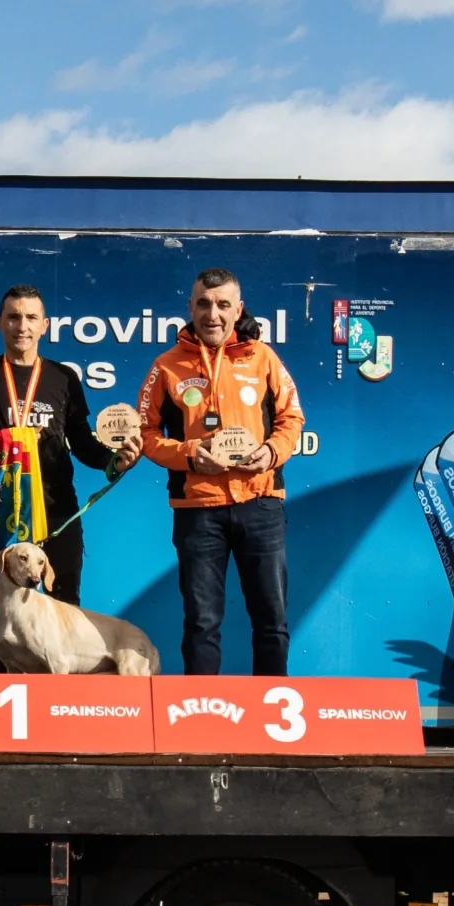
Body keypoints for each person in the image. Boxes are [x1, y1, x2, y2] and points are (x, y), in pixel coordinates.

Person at [0, 286, 141, 663]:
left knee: (66, 618)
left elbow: (83, 443)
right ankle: (6, 715)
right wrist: (10, 439)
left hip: (58, 516)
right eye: (14, 316)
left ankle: (64, 716)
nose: (22, 326)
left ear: (45, 325)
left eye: (31, 317)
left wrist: (115, 462)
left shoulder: (62, 378)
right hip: (6, 520)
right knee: (7, 626)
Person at [136, 267, 305, 676]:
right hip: (198, 510)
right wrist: (192, 454)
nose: (213, 314)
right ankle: (201, 724)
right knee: (201, 623)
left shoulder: (263, 357)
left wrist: (270, 453)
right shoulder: (167, 365)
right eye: (204, 304)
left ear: (238, 308)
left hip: (260, 503)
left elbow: (292, 419)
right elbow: (145, 432)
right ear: (190, 307)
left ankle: (270, 723)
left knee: (272, 621)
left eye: (223, 304)